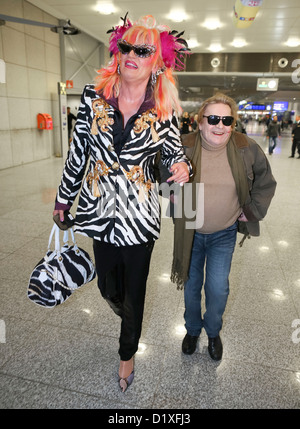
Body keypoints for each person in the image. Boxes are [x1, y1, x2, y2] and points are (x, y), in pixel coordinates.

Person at [53, 14, 190, 392]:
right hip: (98, 214)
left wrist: (181, 170)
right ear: (117, 52)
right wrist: (64, 199)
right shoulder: (92, 100)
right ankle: (122, 310)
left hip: (139, 221)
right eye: (126, 46)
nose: (131, 54)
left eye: (142, 49)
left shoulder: (164, 113)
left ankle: (127, 353)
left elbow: (175, 159)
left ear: (156, 62)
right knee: (108, 288)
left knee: (135, 294)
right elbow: (78, 155)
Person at [170, 93, 277, 361]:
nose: (220, 126)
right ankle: (193, 330)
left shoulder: (245, 147)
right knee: (192, 285)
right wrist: (170, 191)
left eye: (226, 120)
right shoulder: (184, 146)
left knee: (217, 288)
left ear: (233, 123)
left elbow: (266, 182)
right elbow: (161, 174)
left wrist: (250, 211)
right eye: (213, 119)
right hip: (190, 232)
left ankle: (213, 332)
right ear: (200, 122)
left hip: (224, 233)